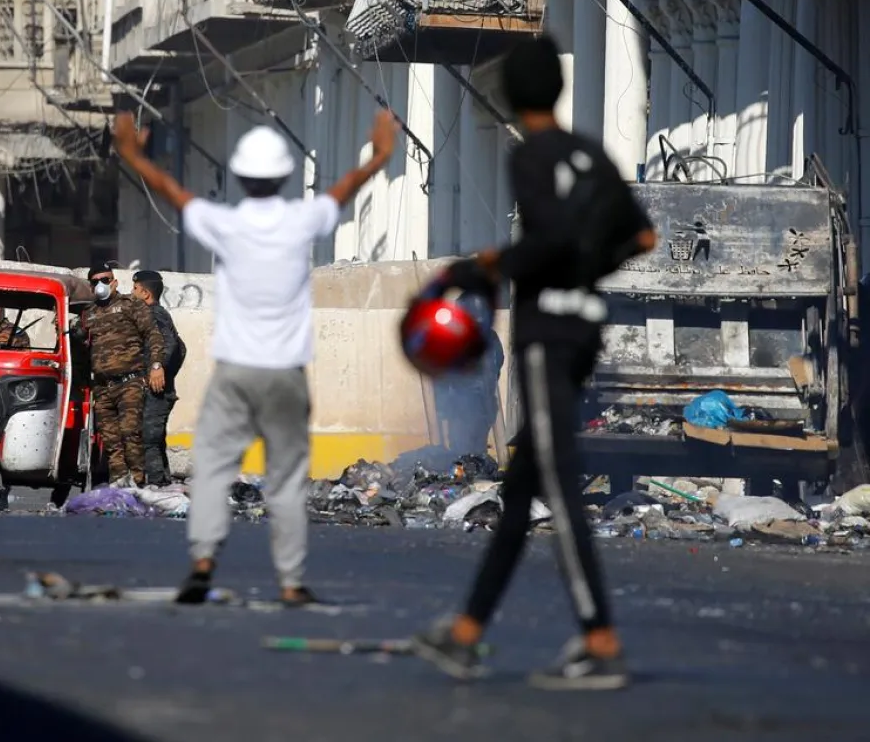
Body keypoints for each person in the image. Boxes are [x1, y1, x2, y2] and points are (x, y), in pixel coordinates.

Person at [409, 35, 655, 691]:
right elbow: (643, 235)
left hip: (547, 336)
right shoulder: (590, 154)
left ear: (513, 95)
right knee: (520, 495)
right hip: (586, 331)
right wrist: (587, 269)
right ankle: (465, 633)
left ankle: (600, 641)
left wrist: (487, 265)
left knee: (561, 487)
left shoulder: (533, 155)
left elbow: (545, 240)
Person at [111, 106, 398, 606]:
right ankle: (289, 580)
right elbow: (344, 190)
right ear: (286, 176)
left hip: (235, 372)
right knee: (286, 478)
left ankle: (203, 559)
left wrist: (134, 154)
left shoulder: (225, 222)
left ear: (240, 178)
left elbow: (174, 192)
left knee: (215, 468)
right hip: (285, 373)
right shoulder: (300, 219)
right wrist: (379, 158)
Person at [76, 264, 166, 489]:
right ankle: (119, 484)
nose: (101, 285)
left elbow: (153, 335)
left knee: (130, 434)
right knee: (111, 440)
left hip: (129, 382)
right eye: (95, 281)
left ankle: (137, 482)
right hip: (102, 387)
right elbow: (80, 348)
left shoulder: (130, 305)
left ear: (115, 282)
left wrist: (156, 365)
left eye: (105, 280)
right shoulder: (89, 314)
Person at [131, 269, 184, 488]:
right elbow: (181, 348)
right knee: (154, 440)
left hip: (156, 392)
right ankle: (162, 484)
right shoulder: (154, 314)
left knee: (148, 440)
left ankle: (155, 486)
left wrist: (158, 369)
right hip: (157, 390)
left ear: (145, 293)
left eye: (134, 288)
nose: (131, 292)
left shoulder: (154, 314)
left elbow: (172, 345)